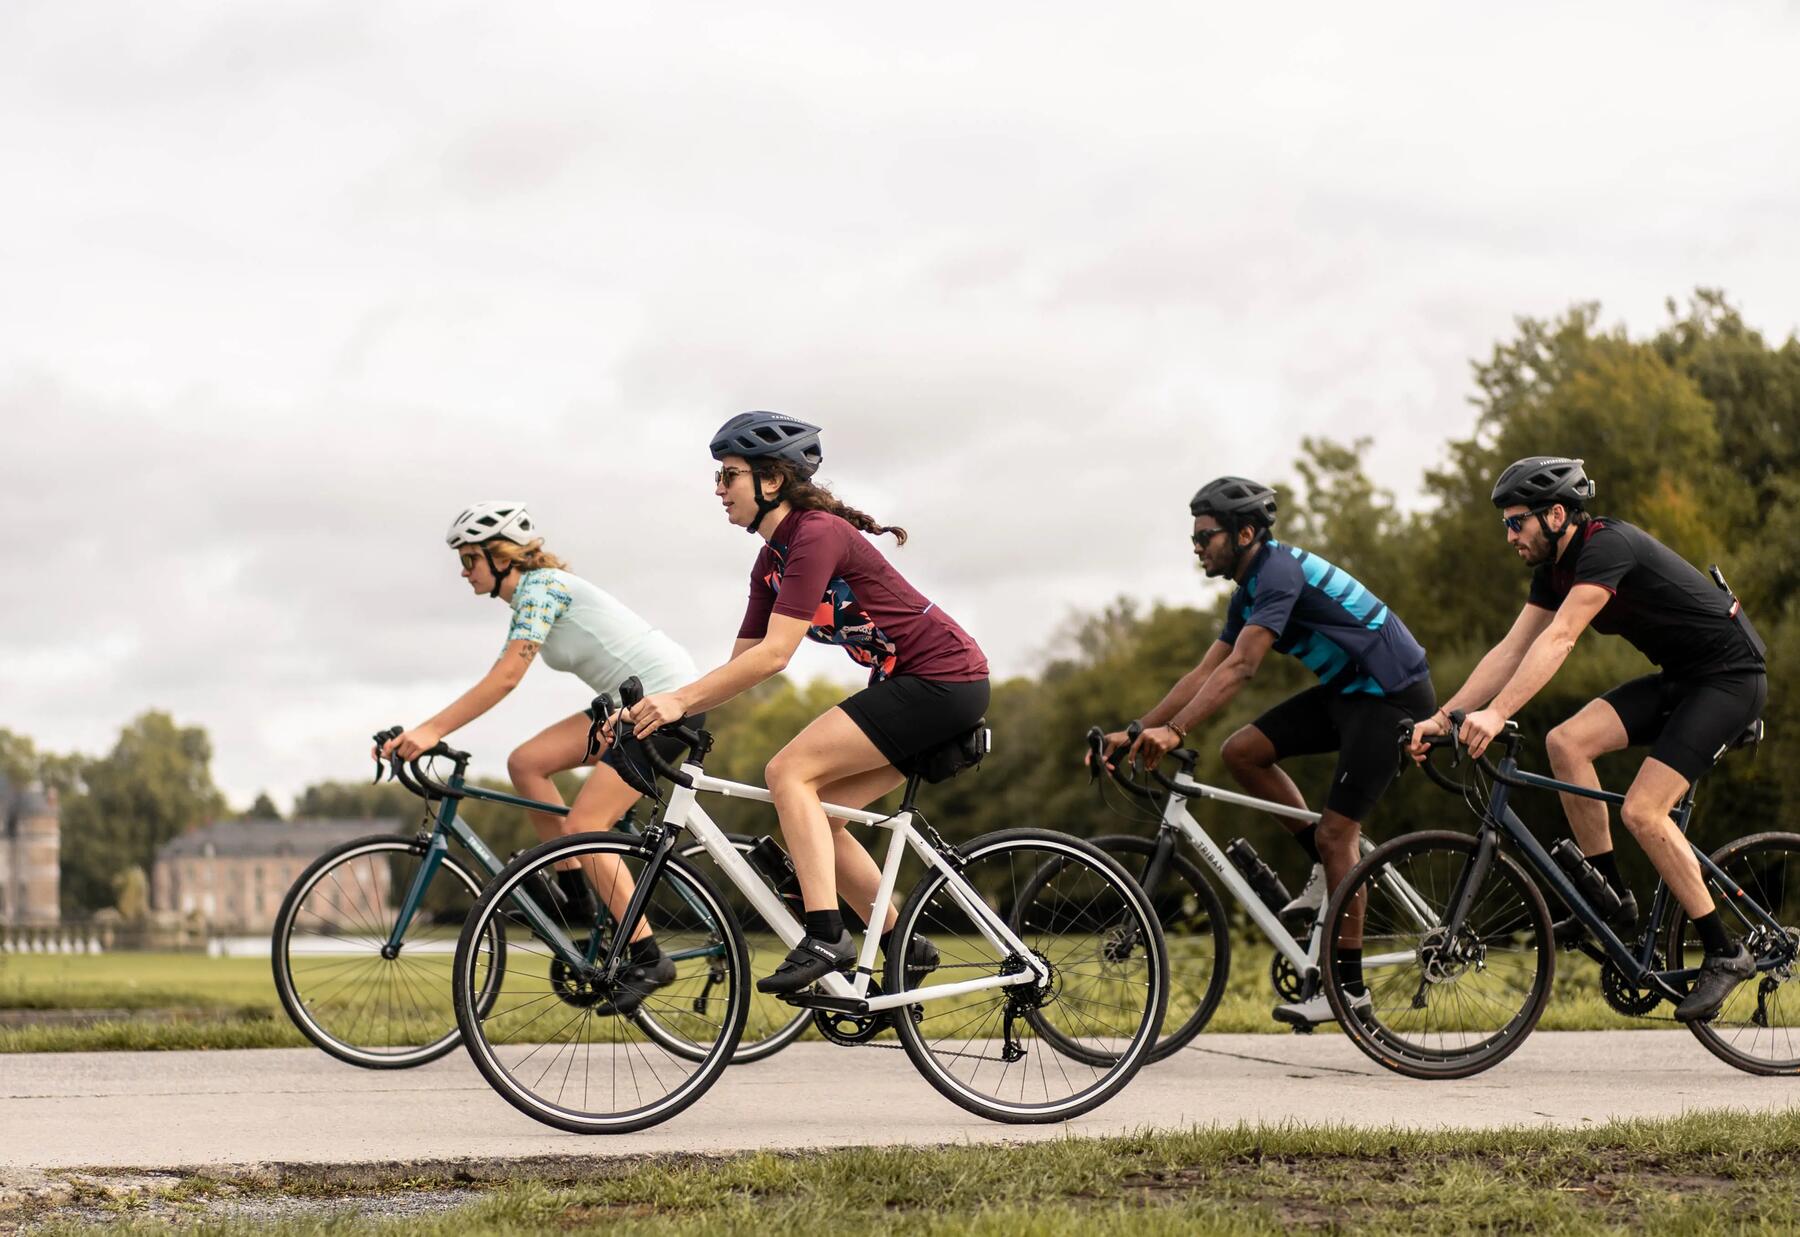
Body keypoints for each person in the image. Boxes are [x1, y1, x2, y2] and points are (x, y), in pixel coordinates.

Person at [613, 412, 989, 994]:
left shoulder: (817, 533)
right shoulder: (771, 563)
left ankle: (826, 935)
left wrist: (677, 702)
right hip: (909, 684)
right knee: (817, 819)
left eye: (727, 475)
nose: (717, 490)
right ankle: (899, 945)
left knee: (789, 772)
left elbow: (776, 655)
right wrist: (660, 708)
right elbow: (743, 662)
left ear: (771, 480)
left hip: (942, 677)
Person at [1411, 456, 1767, 1023]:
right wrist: (1447, 716)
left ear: (1556, 514)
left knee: (1644, 812)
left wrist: (1498, 714)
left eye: (1516, 522)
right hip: (1681, 680)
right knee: (1565, 743)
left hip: (1729, 681)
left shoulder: (1607, 546)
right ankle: (1609, 897)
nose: (1509, 535)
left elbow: (1560, 639)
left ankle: (1726, 952)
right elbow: (1510, 650)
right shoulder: (1552, 569)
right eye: (1505, 524)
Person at [1101, 476, 1435, 1026]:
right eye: (1195, 535)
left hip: (1391, 697)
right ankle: (1329, 868)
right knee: (1242, 753)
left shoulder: (1279, 571)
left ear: (1245, 532)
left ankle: (1347, 992)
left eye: (1206, 535)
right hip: (1349, 692)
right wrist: (1139, 729)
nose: (1197, 545)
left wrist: (1178, 731)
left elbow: (1243, 667)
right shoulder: (1248, 589)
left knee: (1336, 835)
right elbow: (1205, 670)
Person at [378, 501, 700, 1013]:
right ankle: (576, 891)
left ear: (500, 556)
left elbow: (505, 677)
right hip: (625, 707)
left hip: (664, 702)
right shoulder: (532, 593)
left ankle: (647, 954)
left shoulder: (540, 588)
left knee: (584, 823)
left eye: (469, 561)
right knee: (526, 762)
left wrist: (430, 729)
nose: (464, 573)